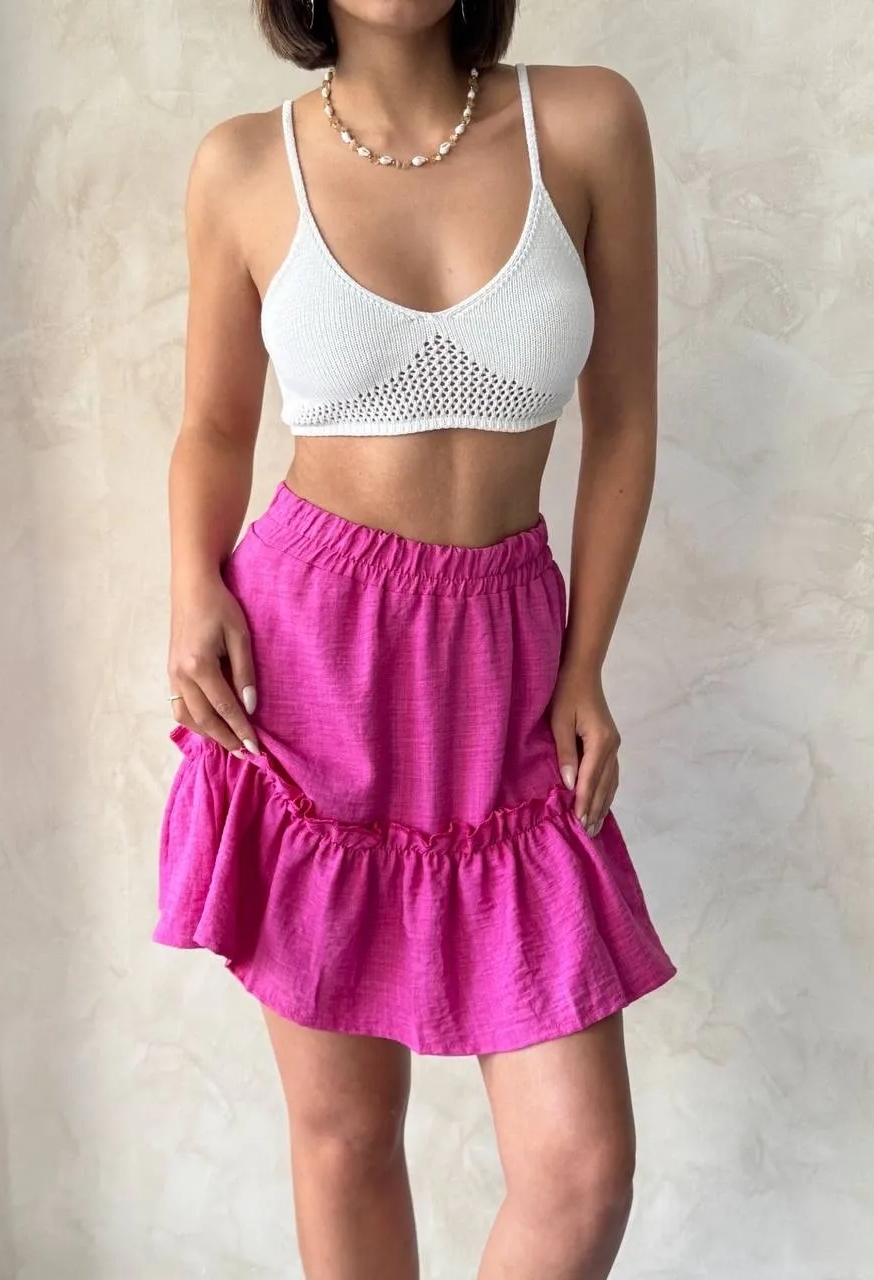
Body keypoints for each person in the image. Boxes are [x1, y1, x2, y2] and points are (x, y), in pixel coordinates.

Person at [154, 0, 678, 1274]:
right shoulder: (242, 163)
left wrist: (587, 661)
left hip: (509, 669)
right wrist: (188, 587)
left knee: (580, 1169)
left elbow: (623, 419)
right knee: (345, 1135)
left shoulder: (588, 121)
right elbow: (215, 426)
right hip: (308, 665)